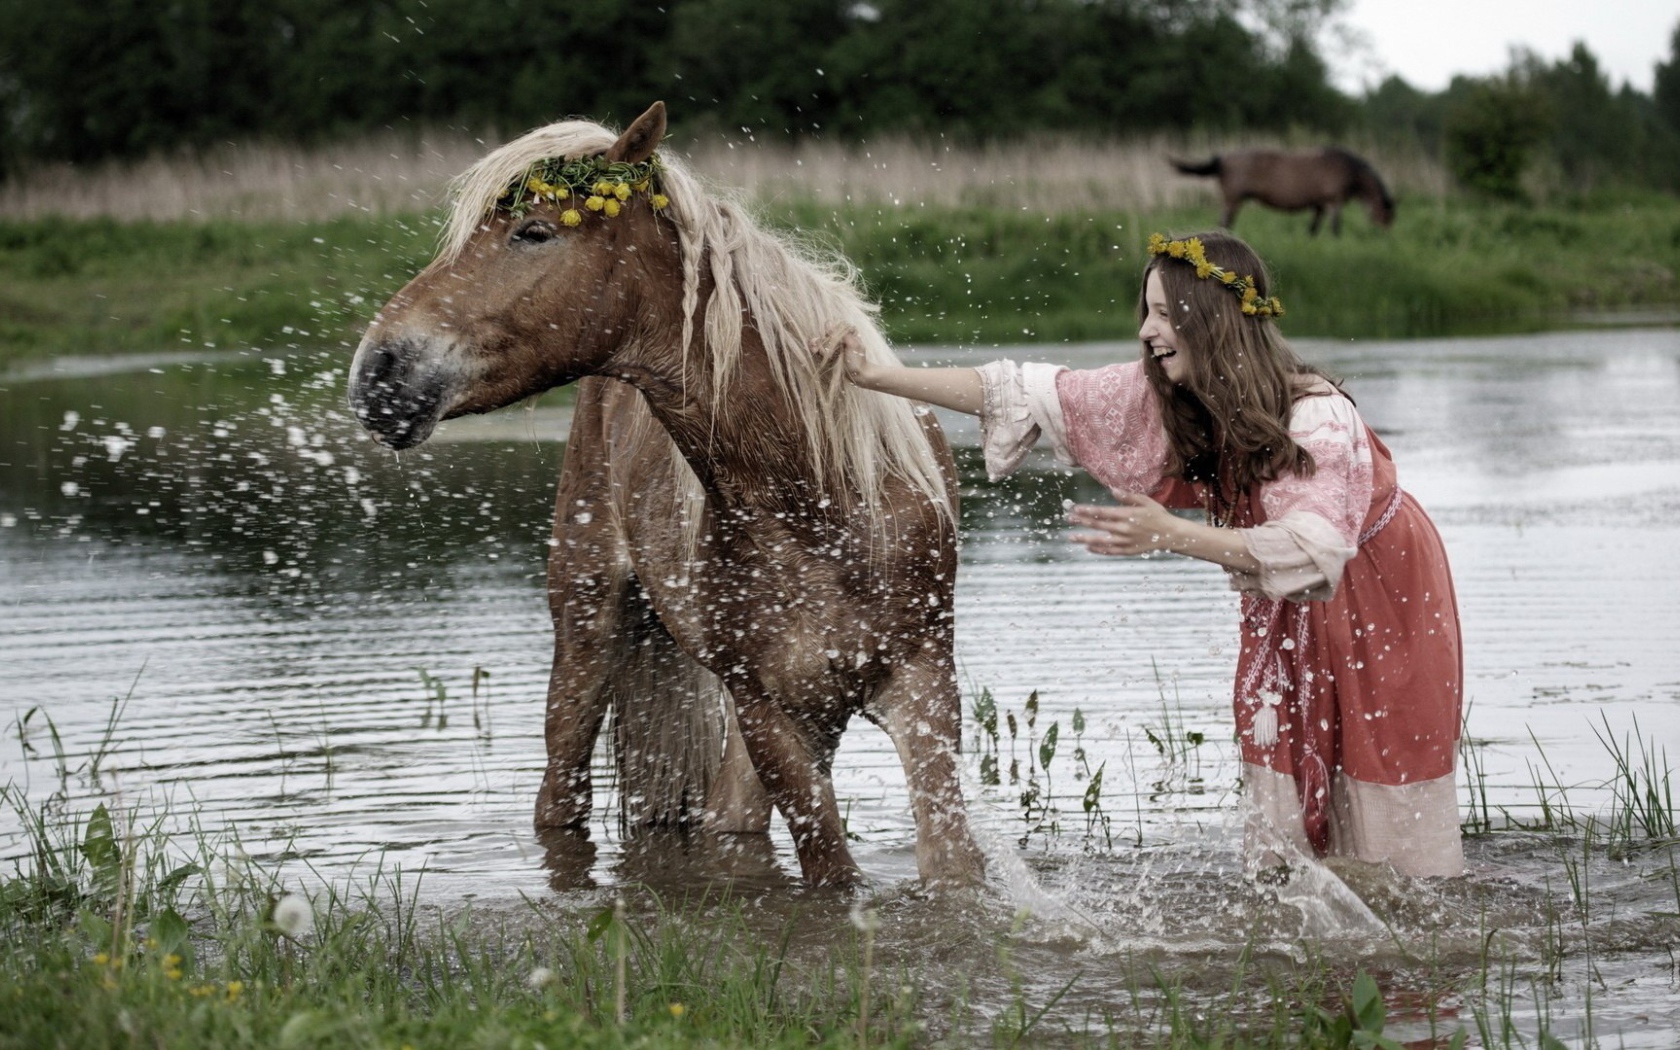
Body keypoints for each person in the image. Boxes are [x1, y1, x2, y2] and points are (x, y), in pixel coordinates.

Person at [822, 230, 1463, 878]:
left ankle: (1407, 906)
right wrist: (874, 376)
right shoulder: (1169, 391)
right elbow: (1018, 390)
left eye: (1164, 314)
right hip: (1279, 591)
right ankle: (1298, 896)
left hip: (1378, 586)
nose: (1147, 331)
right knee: (1279, 762)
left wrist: (1169, 534)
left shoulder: (1316, 416)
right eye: (1147, 311)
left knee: (1379, 768)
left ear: (1209, 321)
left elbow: (1313, 551)